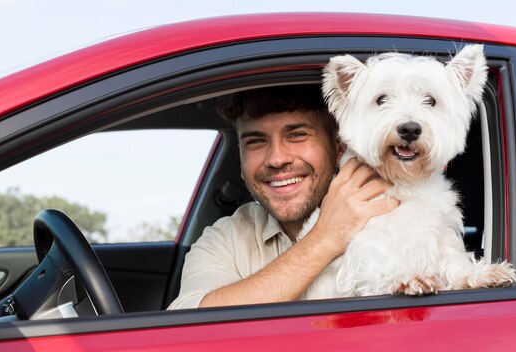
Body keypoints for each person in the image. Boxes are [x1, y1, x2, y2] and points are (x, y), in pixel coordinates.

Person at [168, 85, 398, 309]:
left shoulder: (395, 208)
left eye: (297, 135)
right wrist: (325, 237)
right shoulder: (224, 239)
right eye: (256, 141)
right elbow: (187, 331)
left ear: (338, 146)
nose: (277, 159)